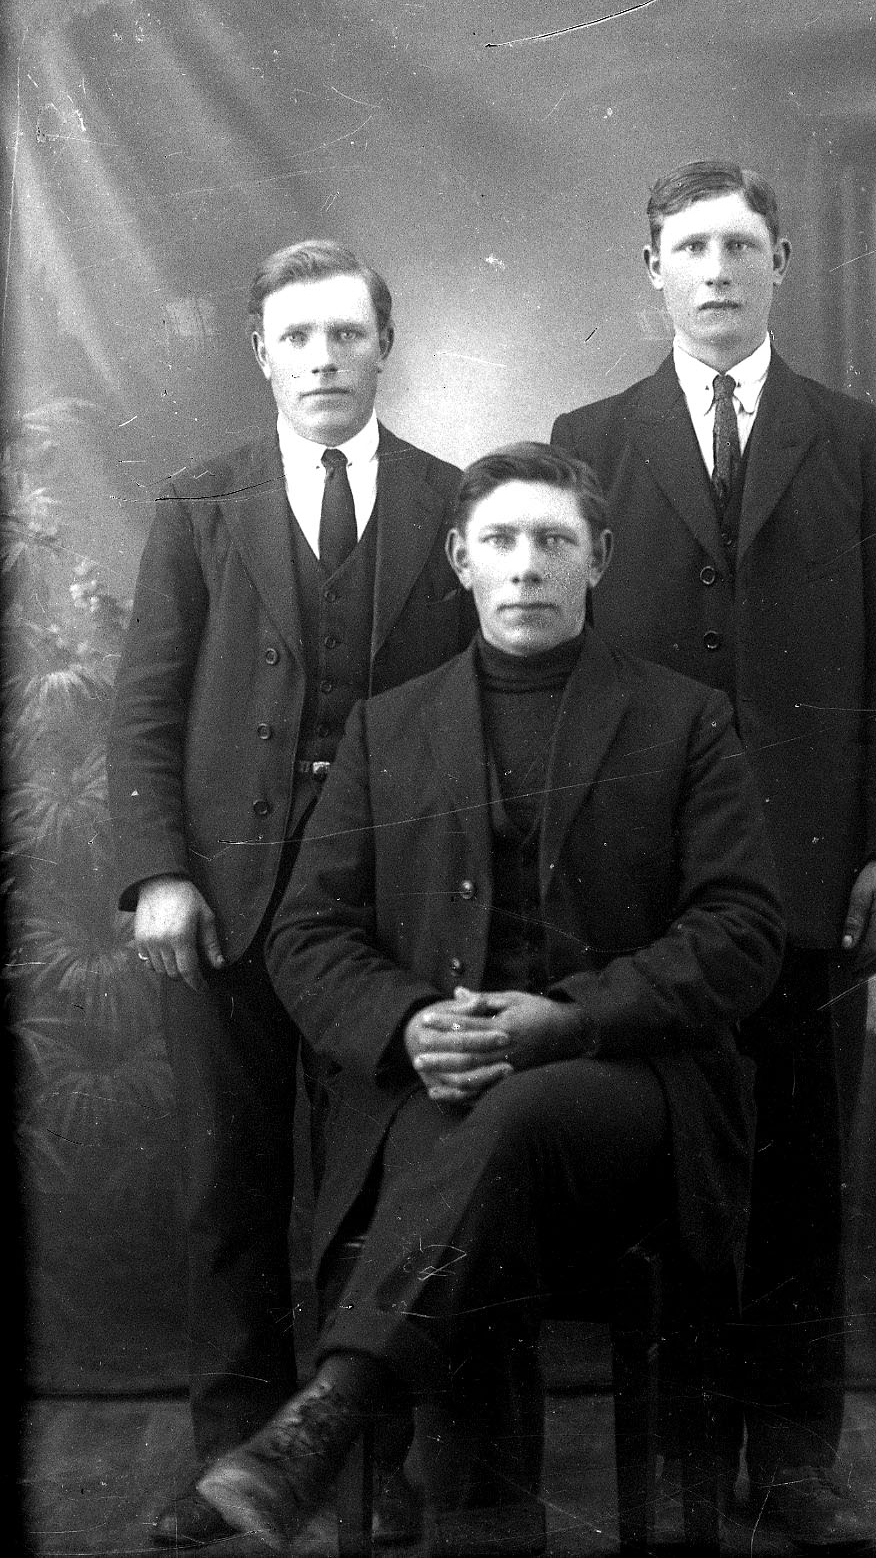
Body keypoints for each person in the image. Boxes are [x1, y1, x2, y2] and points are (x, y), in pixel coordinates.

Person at [193, 442, 786, 1556]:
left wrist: (568, 1019)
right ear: (460, 560)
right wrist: (407, 1022)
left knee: (502, 1112)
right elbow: (309, 932)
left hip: (630, 1095)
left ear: (597, 559)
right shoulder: (387, 727)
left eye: (554, 540)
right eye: (500, 541)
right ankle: (481, 1523)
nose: (526, 565)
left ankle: (330, 1413)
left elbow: (741, 931)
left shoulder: (684, 719)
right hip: (441, 1090)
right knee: (467, 1129)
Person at [550, 160, 876, 1549]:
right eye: (688, 247)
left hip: (814, 877)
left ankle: (788, 1459)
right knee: (664, 1178)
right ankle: (674, 1457)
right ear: (650, 269)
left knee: (796, 1180)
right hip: (648, 887)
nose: (714, 271)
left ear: (781, 264)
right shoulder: (590, 435)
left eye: (738, 246)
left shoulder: (854, 439)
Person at [107, 239, 472, 1547]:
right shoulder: (200, 503)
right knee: (230, 1186)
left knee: (381, 1189)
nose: (324, 358)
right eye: (299, 336)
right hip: (225, 901)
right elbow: (146, 706)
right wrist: (160, 871)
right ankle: (229, 1460)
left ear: (385, 347)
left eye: (347, 334)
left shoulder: (450, 502)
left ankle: (371, 1464)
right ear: (261, 352)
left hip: (387, 911)